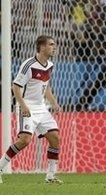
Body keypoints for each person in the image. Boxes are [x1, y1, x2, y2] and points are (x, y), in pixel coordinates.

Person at [0, 35, 63, 184]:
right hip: (26, 105)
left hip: (41, 107)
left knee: (55, 137)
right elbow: (15, 86)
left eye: (54, 44)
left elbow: (45, 86)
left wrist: (54, 102)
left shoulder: (50, 65)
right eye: (51, 44)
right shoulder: (28, 65)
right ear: (42, 47)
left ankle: (50, 176)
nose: (54, 47)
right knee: (25, 140)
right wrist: (23, 105)